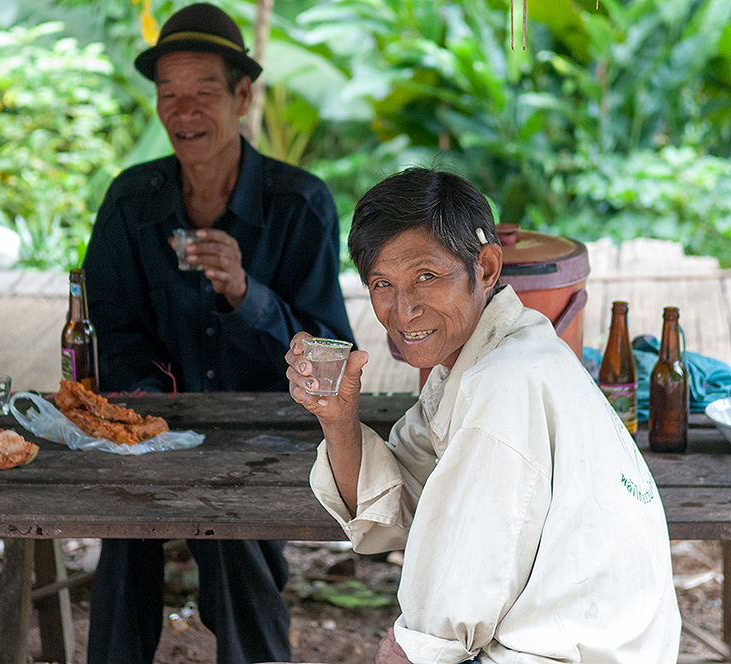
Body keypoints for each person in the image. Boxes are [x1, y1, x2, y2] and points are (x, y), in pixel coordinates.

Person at [285, 168, 681, 663]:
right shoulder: (488, 359)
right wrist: (338, 417)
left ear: (488, 267)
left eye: (426, 276)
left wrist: (411, 649)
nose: (402, 309)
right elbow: (394, 503)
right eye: (382, 284)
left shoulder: (504, 382)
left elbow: (457, 604)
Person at [82, 3, 355, 664]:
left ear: (242, 96)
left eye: (204, 92)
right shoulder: (130, 201)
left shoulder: (299, 204)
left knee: (232, 537)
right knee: (125, 534)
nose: (184, 112)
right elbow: (106, 333)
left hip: (266, 432)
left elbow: (330, 358)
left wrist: (245, 293)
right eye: (168, 96)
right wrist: (144, 401)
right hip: (156, 429)